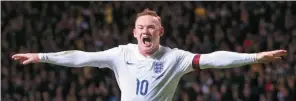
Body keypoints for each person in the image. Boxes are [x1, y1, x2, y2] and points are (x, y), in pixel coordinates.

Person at [12, 9, 287, 101]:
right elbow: (81, 57)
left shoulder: (175, 58)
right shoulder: (121, 54)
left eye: (151, 28)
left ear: (160, 32)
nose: (146, 31)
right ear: (134, 33)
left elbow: (213, 58)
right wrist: (41, 56)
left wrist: (254, 58)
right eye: (141, 27)